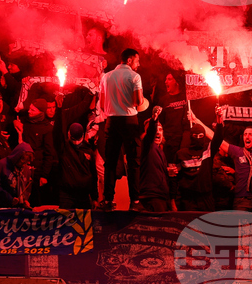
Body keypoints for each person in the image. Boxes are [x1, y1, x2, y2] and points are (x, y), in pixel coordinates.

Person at [98, 48, 148, 211]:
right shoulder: (134, 77)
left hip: (111, 122)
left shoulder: (106, 76)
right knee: (133, 161)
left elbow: (101, 104)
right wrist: (135, 101)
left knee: (110, 162)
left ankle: (107, 201)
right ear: (129, 60)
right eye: (137, 61)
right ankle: (134, 202)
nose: (138, 64)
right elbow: (138, 101)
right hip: (129, 121)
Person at [137, 106, 170, 212]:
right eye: (155, 129)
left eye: (160, 129)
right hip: (151, 197)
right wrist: (154, 119)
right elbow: (150, 134)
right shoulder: (147, 145)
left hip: (161, 196)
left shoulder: (160, 151)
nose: (158, 132)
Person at [58, 122, 97, 209]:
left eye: (78, 139)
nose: (76, 143)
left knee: (83, 221)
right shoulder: (63, 148)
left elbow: (93, 174)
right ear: (68, 134)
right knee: (65, 220)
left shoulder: (88, 151)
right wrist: (59, 110)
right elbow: (57, 132)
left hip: (83, 195)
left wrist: (94, 197)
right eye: (73, 139)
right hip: (67, 194)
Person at [0, 143, 34, 208]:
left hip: (19, 207)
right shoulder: (2, 165)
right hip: (2, 206)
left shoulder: (26, 169)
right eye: (22, 162)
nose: (24, 165)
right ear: (16, 157)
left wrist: (25, 200)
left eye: (26, 163)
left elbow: (27, 187)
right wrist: (10, 199)